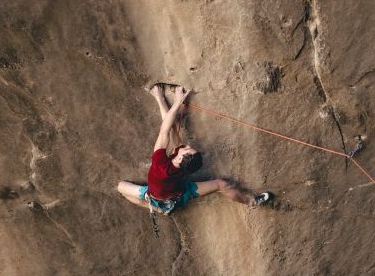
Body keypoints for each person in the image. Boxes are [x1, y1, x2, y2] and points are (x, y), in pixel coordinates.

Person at [116, 83, 271, 215]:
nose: (188, 146)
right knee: (221, 184)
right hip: (182, 194)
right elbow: (171, 131)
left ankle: (158, 208)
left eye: (187, 150)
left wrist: (177, 102)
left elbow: (165, 130)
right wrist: (166, 100)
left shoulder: (160, 165)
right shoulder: (184, 164)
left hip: (161, 195)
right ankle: (251, 201)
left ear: (180, 158)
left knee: (121, 187)